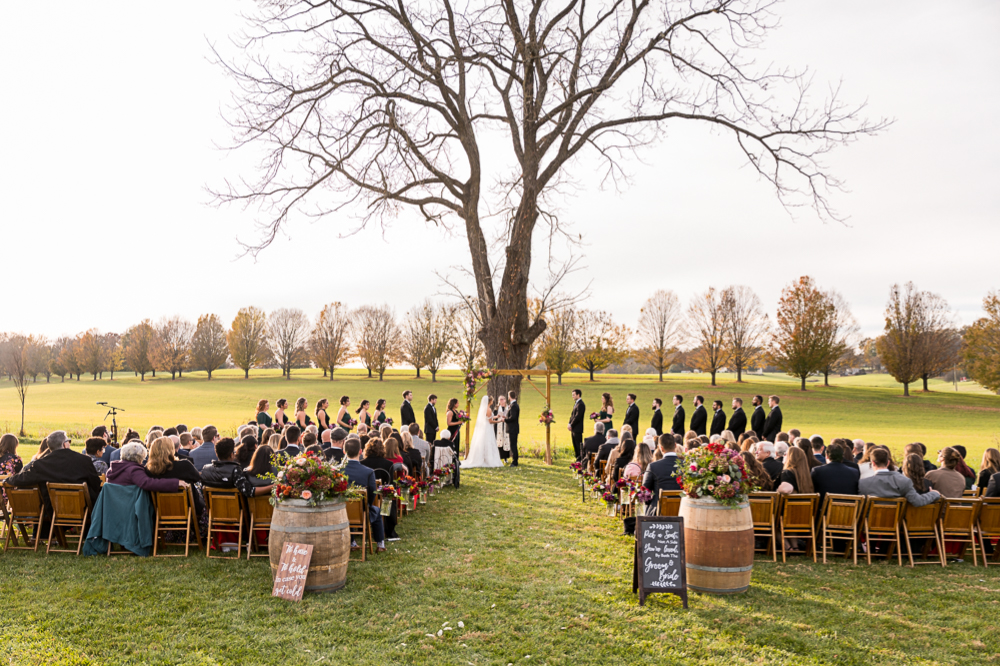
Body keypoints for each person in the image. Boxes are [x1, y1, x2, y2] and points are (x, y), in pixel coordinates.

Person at [2, 430, 103, 516]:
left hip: (54, 512)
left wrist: (7, 480)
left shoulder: (41, 464)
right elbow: (95, 483)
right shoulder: (84, 460)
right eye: (69, 441)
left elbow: (23, 478)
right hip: (83, 510)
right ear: (64, 444)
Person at [343, 438, 386, 552]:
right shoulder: (368, 472)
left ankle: (352, 542)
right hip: (362, 512)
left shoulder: (338, 471)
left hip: (341, 512)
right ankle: (380, 543)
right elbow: (372, 492)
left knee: (349, 509)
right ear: (360, 451)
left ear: (344, 452)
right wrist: (367, 505)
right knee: (376, 510)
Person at [146, 436, 206, 520]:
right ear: (171, 450)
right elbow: (198, 478)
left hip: (161, 513)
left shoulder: (148, 471)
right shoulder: (184, 466)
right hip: (189, 511)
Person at [860, 448, 942, 507]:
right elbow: (917, 501)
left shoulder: (863, 483)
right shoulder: (903, 481)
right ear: (888, 463)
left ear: (873, 463)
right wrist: (934, 493)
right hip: (895, 524)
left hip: (869, 524)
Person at [201, 437, 273, 497]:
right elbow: (250, 492)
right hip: (235, 512)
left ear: (217, 454)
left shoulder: (206, 469)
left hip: (213, 511)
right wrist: (273, 486)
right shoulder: (234, 471)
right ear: (231, 455)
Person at [107, 442, 186, 493]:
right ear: (140, 457)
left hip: (114, 508)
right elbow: (148, 483)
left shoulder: (112, 469)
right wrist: (175, 483)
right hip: (130, 507)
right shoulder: (133, 470)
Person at [641, 435, 681, 515]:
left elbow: (644, 492)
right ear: (675, 445)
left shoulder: (653, 466)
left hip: (658, 512)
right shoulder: (686, 465)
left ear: (660, 448)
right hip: (682, 511)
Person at [810, 443, 859, 507]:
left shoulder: (817, 471)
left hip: (824, 512)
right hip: (848, 511)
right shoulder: (854, 472)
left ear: (826, 455)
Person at [464, 396, 504, 468]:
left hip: (486, 428)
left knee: (485, 443)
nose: (493, 401)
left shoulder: (485, 409)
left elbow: (488, 417)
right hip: (488, 428)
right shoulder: (488, 409)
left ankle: (485, 458)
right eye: (492, 400)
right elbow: (490, 421)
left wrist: (496, 416)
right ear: (490, 401)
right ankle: (487, 459)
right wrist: (499, 421)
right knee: (488, 442)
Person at [492, 395, 511, 462]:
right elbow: (493, 417)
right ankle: (499, 457)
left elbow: (511, 416)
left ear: (505, 400)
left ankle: (505, 458)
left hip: (506, 425)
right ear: (498, 401)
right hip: (498, 426)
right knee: (499, 441)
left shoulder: (508, 408)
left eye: (503, 399)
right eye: (500, 400)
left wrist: (506, 417)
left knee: (505, 441)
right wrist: (498, 416)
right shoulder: (497, 408)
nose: (502, 401)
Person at [568, 389, 586, 460]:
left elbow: (577, 417)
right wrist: (569, 423)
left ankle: (580, 459)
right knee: (575, 444)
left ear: (578, 395)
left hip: (577, 428)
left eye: (573, 395)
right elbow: (572, 415)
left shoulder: (581, 404)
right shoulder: (577, 403)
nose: (572, 396)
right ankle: (577, 458)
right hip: (574, 428)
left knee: (578, 445)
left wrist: (571, 425)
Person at [505, 390, 520, 467]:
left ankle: (515, 462)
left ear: (510, 396)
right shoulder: (513, 405)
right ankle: (515, 460)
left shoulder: (514, 406)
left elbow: (513, 417)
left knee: (513, 445)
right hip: (513, 428)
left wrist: (505, 419)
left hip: (513, 428)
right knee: (513, 445)